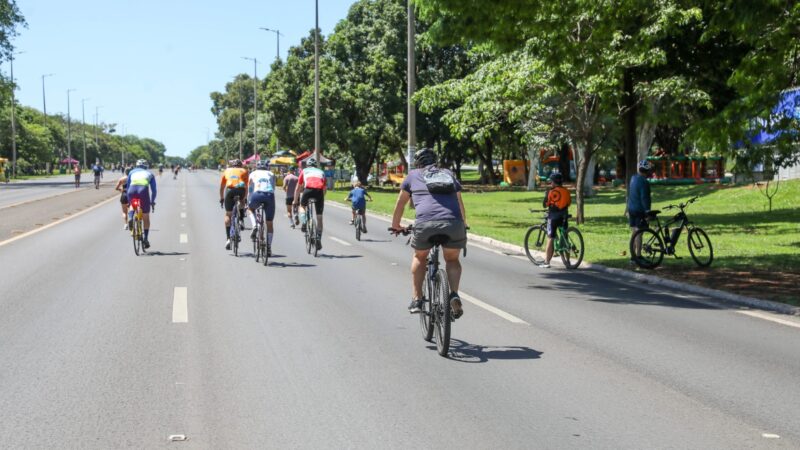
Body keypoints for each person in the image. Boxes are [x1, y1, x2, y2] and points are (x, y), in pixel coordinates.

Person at [390, 148, 468, 319]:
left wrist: (396, 225)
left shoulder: (412, 175)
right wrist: (463, 224)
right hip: (453, 223)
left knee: (420, 257)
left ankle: (417, 299)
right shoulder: (448, 173)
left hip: (425, 224)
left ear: (418, 163)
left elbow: (400, 203)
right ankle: (454, 294)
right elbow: (459, 201)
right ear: (435, 161)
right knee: (452, 259)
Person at [538, 172, 571, 268]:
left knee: (550, 238)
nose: (550, 183)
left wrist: (546, 196)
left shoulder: (551, 192)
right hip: (564, 217)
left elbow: (545, 205)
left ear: (554, 182)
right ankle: (568, 261)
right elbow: (568, 203)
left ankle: (546, 262)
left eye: (551, 181)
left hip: (553, 217)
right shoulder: (566, 191)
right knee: (565, 237)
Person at [293, 157, 327, 250]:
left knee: (302, 207)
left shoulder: (304, 171)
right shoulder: (321, 172)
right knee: (319, 217)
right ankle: (318, 237)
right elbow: (324, 188)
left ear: (307, 165)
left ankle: (304, 222)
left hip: (308, 190)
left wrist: (295, 201)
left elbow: (298, 188)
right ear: (316, 165)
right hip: (319, 192)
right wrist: (321, 198)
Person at [247, 160, 277, 255]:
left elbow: (250, 189)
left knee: (250, 209)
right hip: (269, 195)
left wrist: (248, 201)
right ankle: (268, 247)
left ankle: (254, 225)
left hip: (257, 195)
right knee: (269, 222)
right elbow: (273, 188)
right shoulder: (271, 173)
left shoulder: (253, 173)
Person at [126, 160, 157, 248]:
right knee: (146, 216)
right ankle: (146, 239)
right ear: (146, 166)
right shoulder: (150, 174)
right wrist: (152, 201)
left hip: (132, 190)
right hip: (142, 190)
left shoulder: (131, 172)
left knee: (133, 204)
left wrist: (129, 201)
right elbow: (154, 190)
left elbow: (128, 187)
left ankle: (130, 217)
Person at [219, 159, 249, 250]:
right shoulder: (244, 171)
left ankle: (228, 239)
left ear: (232, 165)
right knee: (242, 202)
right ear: (241, 165)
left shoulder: (227, 170)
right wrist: (244, 198)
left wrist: (221, 198)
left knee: (228, 214)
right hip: (241, 190)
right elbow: (246, 186)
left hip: (230, 190)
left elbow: (222, 187)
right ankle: (241, 220)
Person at [628, 160, 653, 264]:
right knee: (639, 233)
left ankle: (632, 256)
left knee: (634, 232)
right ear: (647, 171)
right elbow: (644, 198)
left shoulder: (633, 178)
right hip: (639, 210)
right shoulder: (644, 182)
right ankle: (638, 256)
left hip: (631, 209)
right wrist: (648, 212)